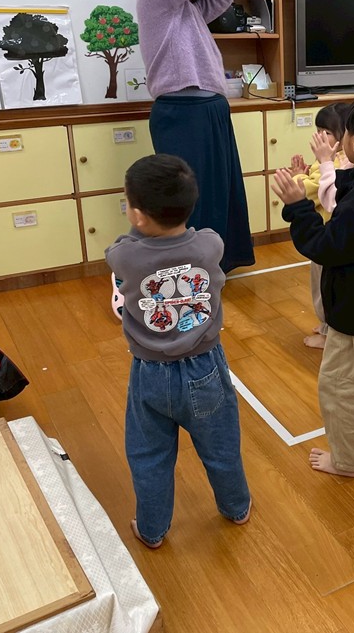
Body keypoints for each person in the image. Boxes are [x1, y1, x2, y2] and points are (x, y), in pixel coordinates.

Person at [106, 154, 252, 549]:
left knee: (149, 456)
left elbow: (119, 248)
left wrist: (140, 228)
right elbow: (196, 236)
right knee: (221, 445)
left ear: (138, 216)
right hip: (206, 367)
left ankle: (152, 529)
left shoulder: (126, 256)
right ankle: (236, 506)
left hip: (150, 373)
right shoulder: (210, 245)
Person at [271, 94, 354, 477]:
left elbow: (325, 246)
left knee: (343, 387)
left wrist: (298, 207)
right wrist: (322, 167)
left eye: (345, 133)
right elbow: (346, 185)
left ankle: (346, 461)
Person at [137, 0, 254, 273]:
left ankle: (216, 264)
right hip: (182, 113)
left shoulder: (190, 9)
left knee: (221, 190)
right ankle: (189, 270)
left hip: (210, 110)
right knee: (189, 193)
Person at [288, 103, 352, 349]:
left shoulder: (336, 164)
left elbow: (306, 191)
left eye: (327, 132)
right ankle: (328, 326)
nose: (319, 136)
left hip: (327, 239)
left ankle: (328, 332)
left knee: (324, 287)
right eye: (318, 130)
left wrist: (297, 176)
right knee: (327, 286)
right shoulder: (334, 160)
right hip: (331, 237)